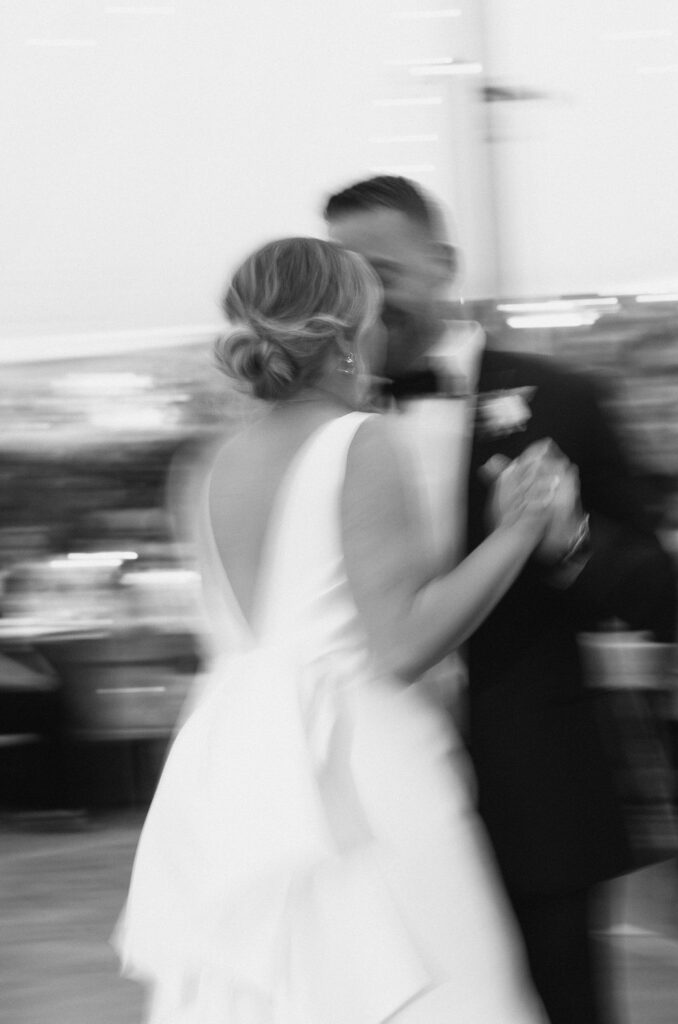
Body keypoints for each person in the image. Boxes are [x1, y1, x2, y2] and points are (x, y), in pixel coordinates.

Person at [114, 236, 561, 1023]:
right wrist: (516, 533)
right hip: (359, 770)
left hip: (236, 772)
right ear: (351, 330)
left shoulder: (209, 462)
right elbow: (400, 645)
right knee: (438, 987)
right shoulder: (360, 441)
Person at [324, 176, 678, 1024]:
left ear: (442, 264)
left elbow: (660, 598)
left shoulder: (561, 400)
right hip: (373, 803)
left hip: (531, 794)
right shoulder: (320, 424)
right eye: (344, 277)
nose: (363, 300)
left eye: (380, 271)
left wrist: (570, 539)